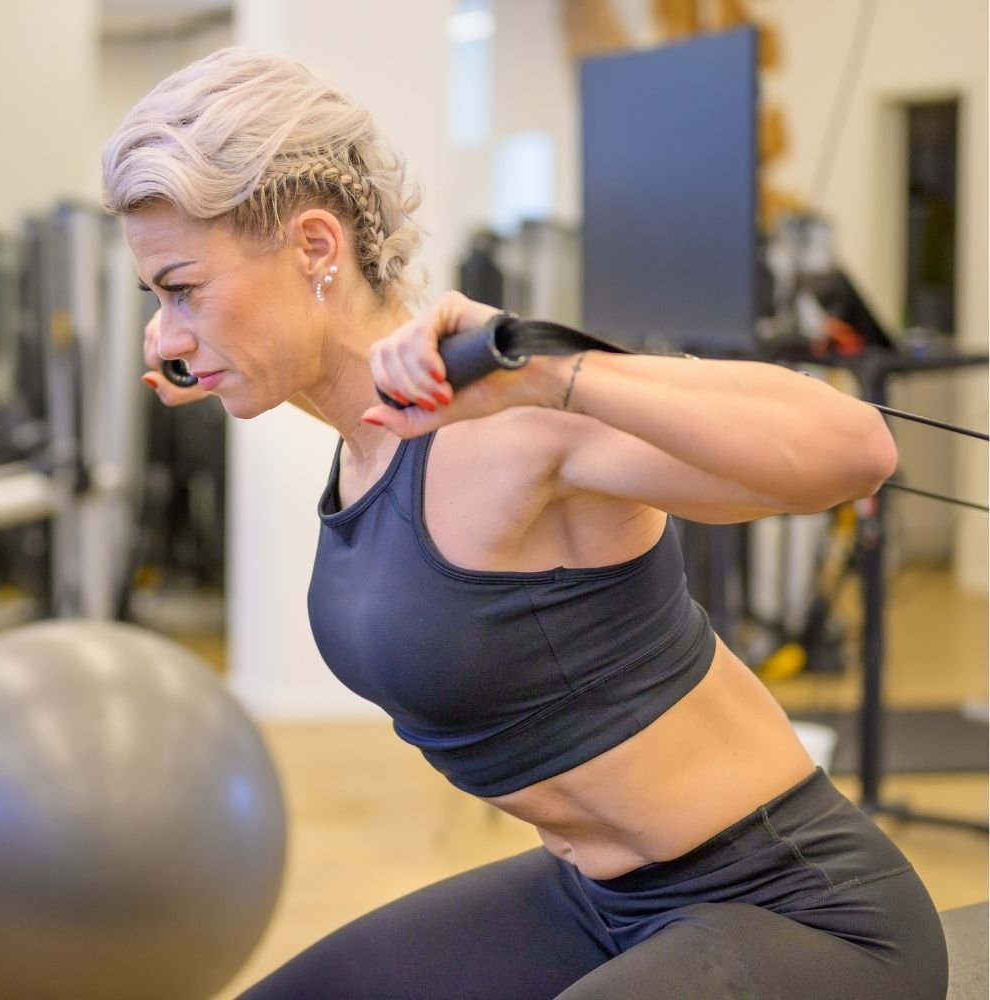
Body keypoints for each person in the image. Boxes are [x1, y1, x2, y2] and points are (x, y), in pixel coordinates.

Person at [101, 48, 947, 999]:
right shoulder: (368, 447)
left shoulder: (507, 424)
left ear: (313, 247)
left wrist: (551, 368)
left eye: (183, 288)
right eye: (157, 300)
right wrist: (209, 344)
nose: (166, 332)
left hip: (798, 910)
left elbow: (858, 448)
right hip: (600, 904)